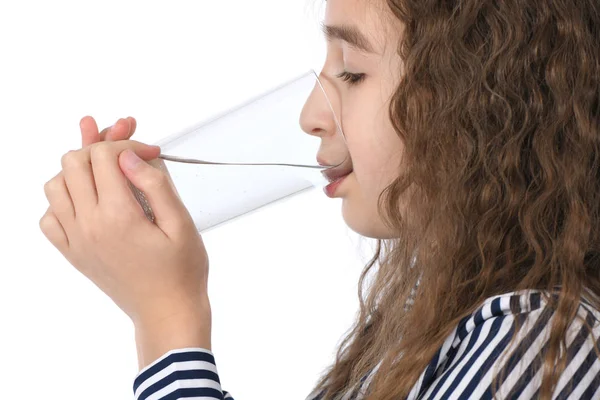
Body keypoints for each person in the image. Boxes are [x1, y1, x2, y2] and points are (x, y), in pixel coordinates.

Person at [39, 0, 600, 398]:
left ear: (482, 103)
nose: (311, 115)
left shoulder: (541, 339)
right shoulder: (448, 320)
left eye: (352, 74)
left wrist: (168, 322)